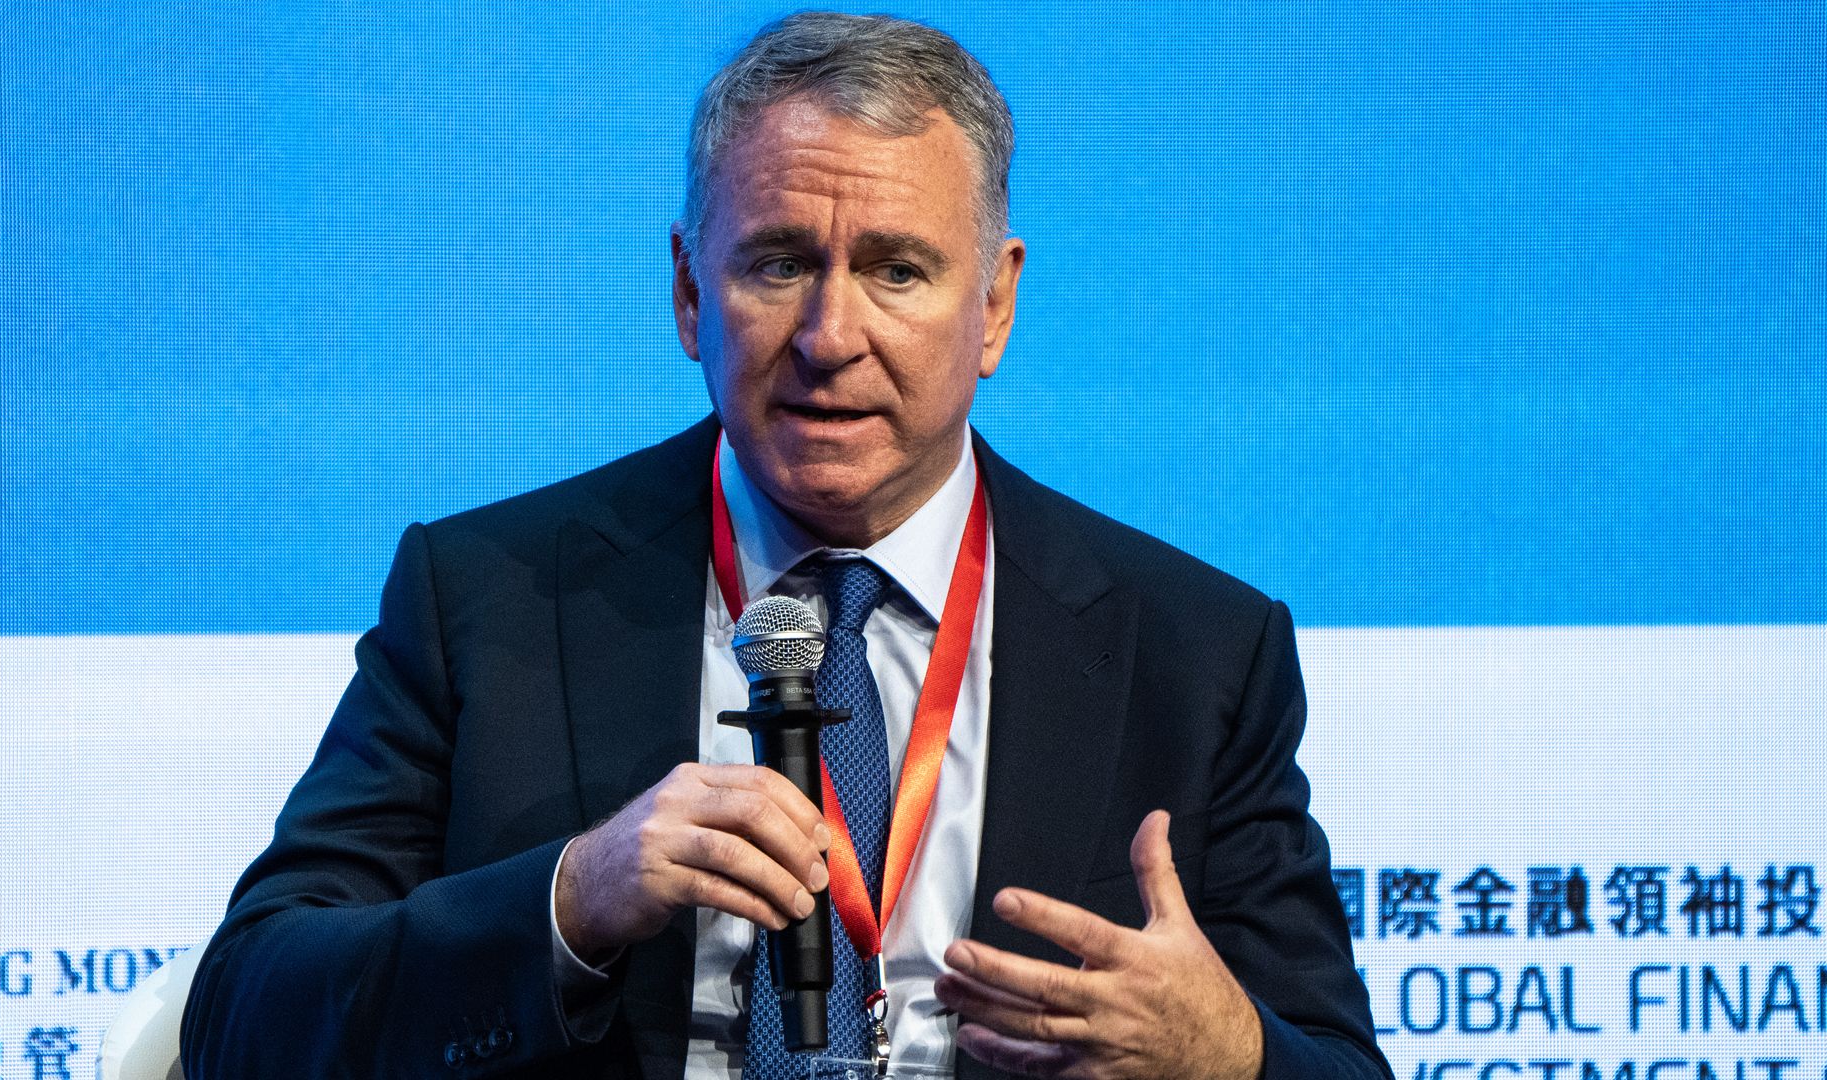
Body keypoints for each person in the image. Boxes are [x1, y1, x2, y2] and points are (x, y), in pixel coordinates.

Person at [180, 12, 1391, 1080]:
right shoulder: (485, 597)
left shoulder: (1195, 652)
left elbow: (1334, 1060)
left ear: (994, 306)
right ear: (688, 291)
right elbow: (243, 1017)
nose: (828, 335)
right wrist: (573, 898)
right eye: (779, 263)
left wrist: (1228, 1056)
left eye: (897, 270)